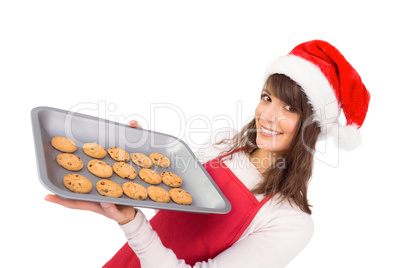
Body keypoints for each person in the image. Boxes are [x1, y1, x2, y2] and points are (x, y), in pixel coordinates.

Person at [45, 40, 370, 267]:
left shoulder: (291, 222)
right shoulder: (223, 144)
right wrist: (125, 160)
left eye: (289, 108)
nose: (268, 115)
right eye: (267, 97)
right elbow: (166, 199)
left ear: (311, 126)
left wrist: (133, 223)